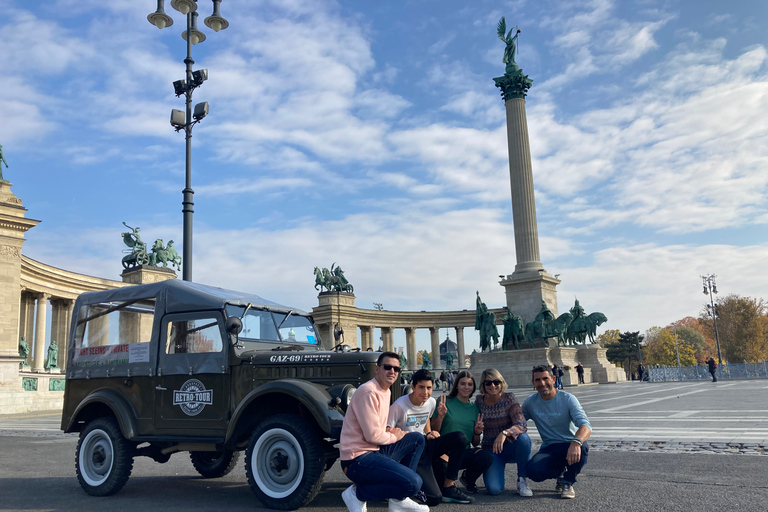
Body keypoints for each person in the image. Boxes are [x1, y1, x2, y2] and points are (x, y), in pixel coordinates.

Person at [340, 351, 429, 512]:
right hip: (357, 459)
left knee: (417, 439)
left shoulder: (385, 391)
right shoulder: (369, 391)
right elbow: (372, 435)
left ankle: (398, 500)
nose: (392, 371)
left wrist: (389, 431)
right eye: (387, 367)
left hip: (373, 451)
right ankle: (357, 493)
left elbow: (376, 428)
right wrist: (394, 436)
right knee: (414, 483)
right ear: (376, 369)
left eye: (396, 369)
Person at [389, 369, 473, 505]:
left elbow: (426, 419)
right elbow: (388, 430)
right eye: (421, 387)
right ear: (413, 387)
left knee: (459, 438)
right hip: (410, 453)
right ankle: (407, 486)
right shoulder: (399, 406)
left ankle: (449, 486)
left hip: (425, 444)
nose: (425, 392)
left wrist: (429, 431)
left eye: (429, 388)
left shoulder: (431, 402)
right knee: (434, 499)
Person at [522, 365, 592, 499]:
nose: (542, 383)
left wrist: (576, 443)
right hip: (549, 448)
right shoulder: (530, 403)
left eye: (545, 379)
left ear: (553, 379)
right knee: (533, 471)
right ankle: (560, 472)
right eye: (538, 380)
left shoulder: (568, 399)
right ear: (533, 383)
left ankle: (568, 482)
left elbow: (585, 425)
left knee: (582, 447)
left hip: (569, 444)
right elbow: (517, 422)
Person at [431, 370, 494, 495]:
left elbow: (475, 444)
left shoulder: (474, 409)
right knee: (440, 489)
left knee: (485, 457)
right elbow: (434, 431)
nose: (466, 387)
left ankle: (468, 478)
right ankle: (448, 484)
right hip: (443, 452)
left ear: (473, 387)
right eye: (463, 384)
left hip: (462, 454)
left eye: (470, 384)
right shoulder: (444, 401)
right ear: (457, 386)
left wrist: (476, 433)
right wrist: (441, 417)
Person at [474, 369, 532, 497]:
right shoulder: (479, 401)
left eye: (496, 382)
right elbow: (474, 425)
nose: (492, 386)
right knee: (494, 489)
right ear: (483, 385)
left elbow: (522, 424)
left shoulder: (509, 398)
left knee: (524, 439)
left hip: (511, 446)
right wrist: (477, 432)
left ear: (502, 383)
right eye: (488, 383)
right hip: (492, 450)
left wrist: (505, 433)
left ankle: (522, 480)